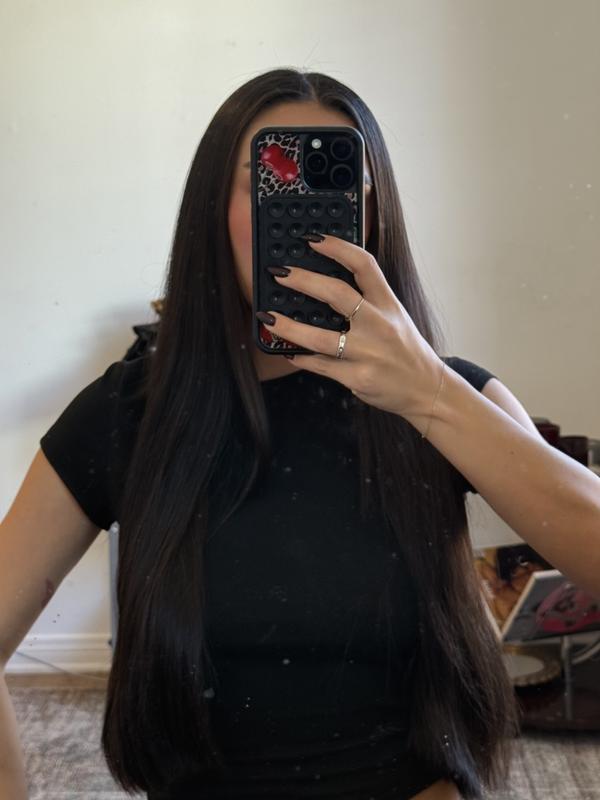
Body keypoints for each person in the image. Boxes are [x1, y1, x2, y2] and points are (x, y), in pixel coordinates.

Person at [2, 68, 540, 800]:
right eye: (271, 182)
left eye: (335, 186)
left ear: (373, 217)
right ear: (212, 211)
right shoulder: (129, 414)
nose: (305, 216)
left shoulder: (450, 400)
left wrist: (435, 396)